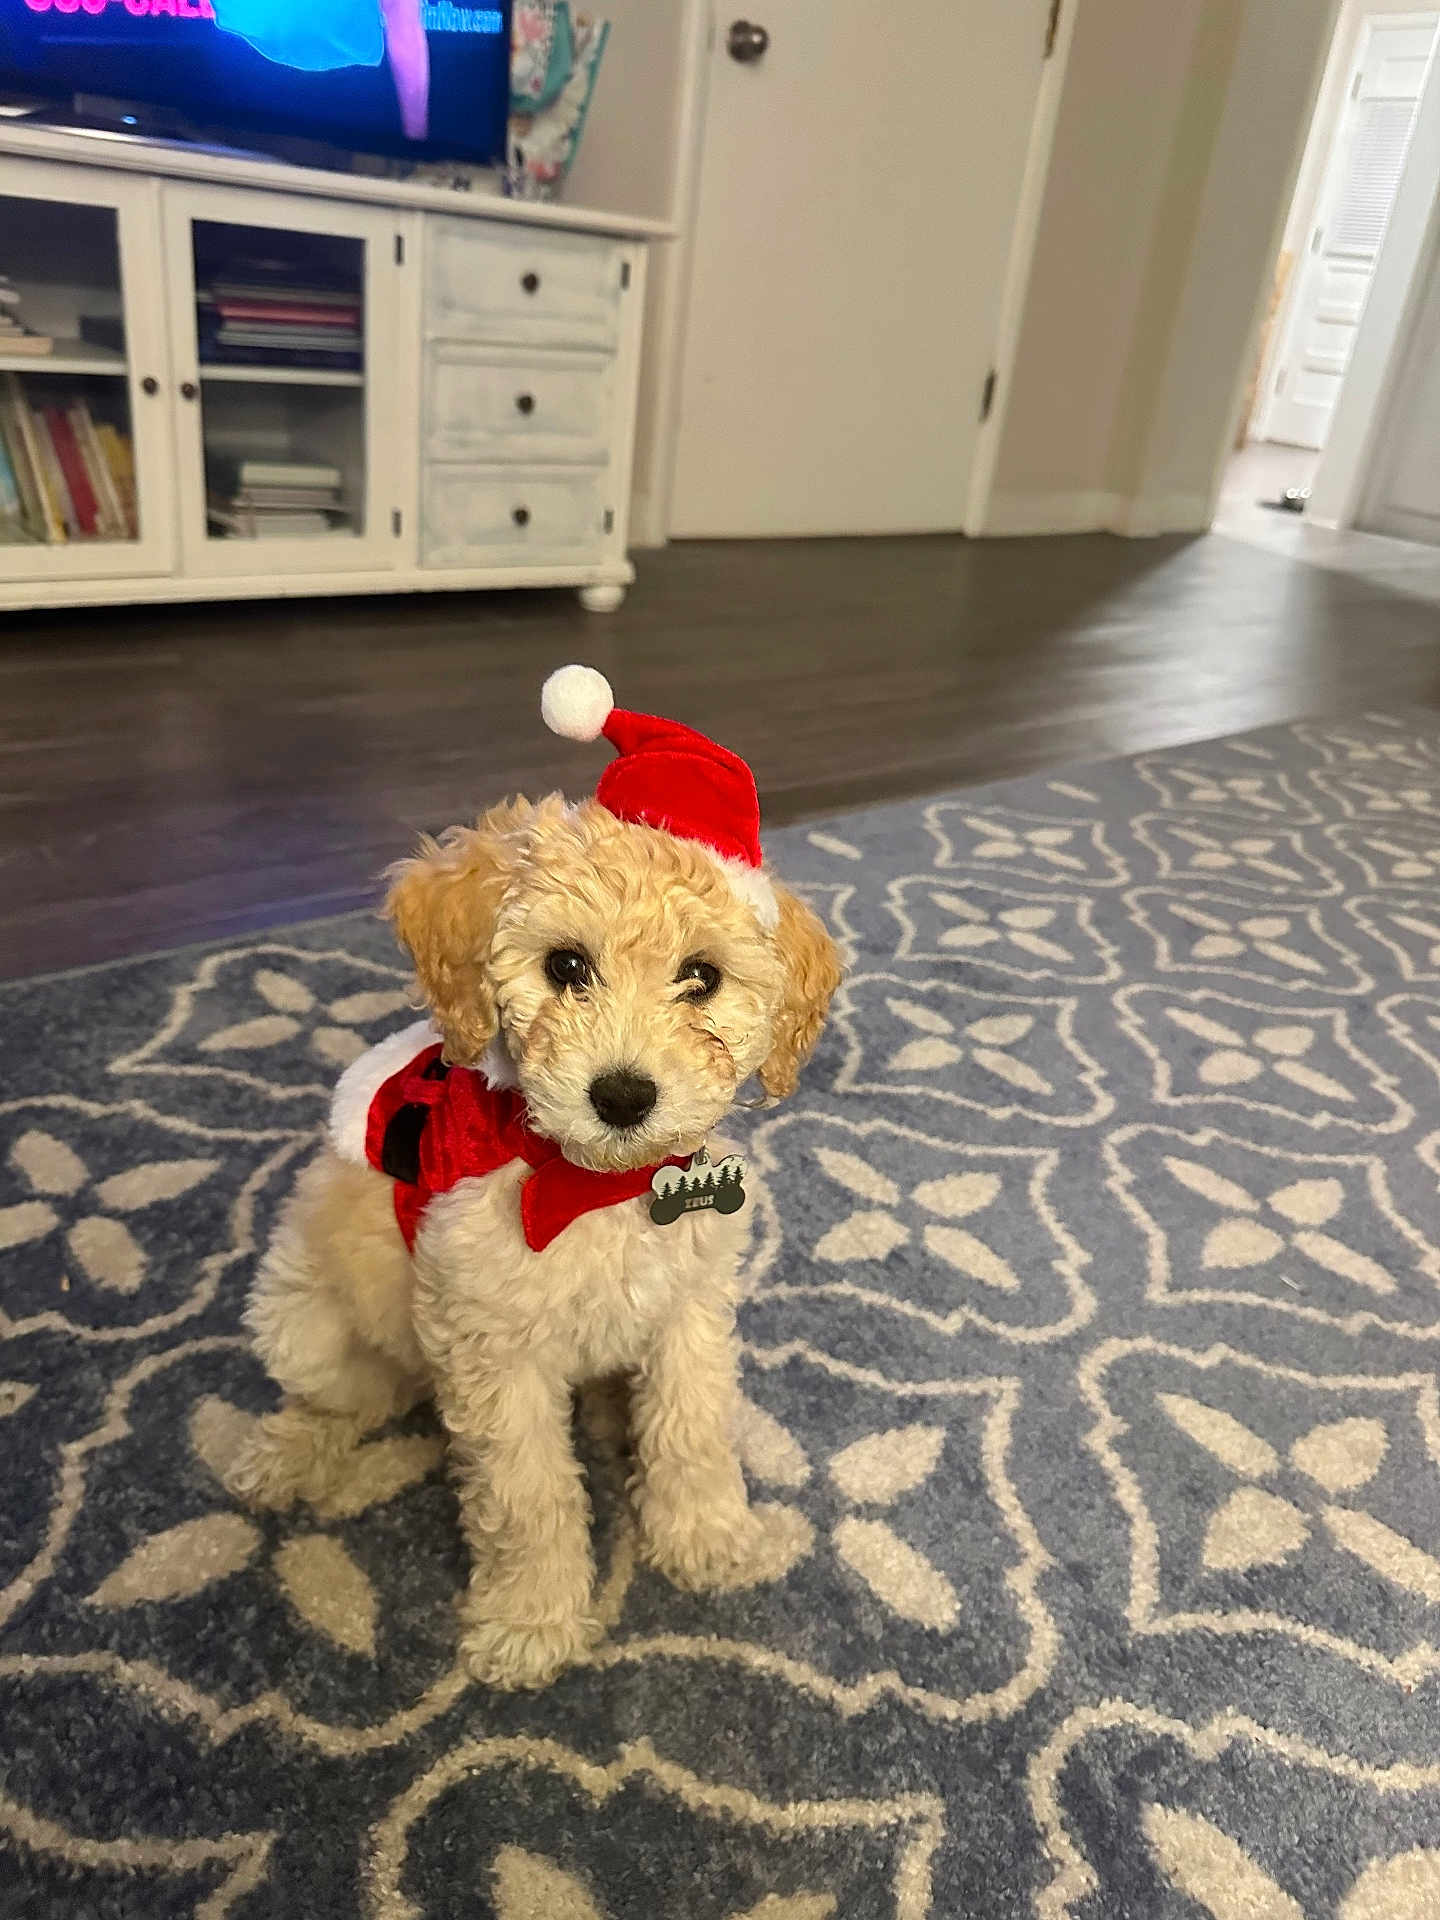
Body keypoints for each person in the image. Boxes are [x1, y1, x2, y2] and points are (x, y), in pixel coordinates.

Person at [212, 0, 429, 140]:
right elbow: (404, 27)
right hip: (235, 74)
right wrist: (416, 141)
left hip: (237, 79)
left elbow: (403, 25)